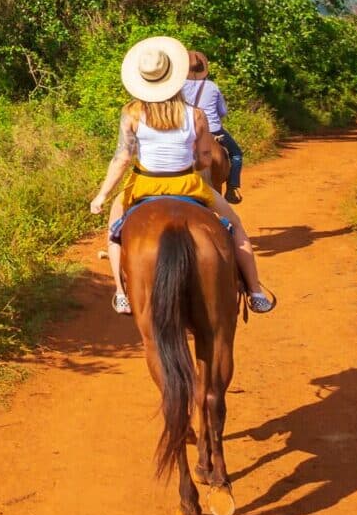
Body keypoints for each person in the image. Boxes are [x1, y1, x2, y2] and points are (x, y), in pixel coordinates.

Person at [90, 36, 276, 317]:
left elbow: (122, 158)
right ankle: (255, 291)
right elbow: (203, 159)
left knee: (115, 228)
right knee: (236, 226)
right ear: (172, 76)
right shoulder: (196, 115)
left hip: (143, 184)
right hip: (188, 183)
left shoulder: (131, 113)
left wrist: (102, 194)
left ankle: (120, 293)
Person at [182, 49, 246, 203]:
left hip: (186, 130)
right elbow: (223, 111)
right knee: (236, 154)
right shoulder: (212, 86)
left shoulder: (178, 86)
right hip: (213, 129)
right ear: (203, 69)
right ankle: (232, 188)